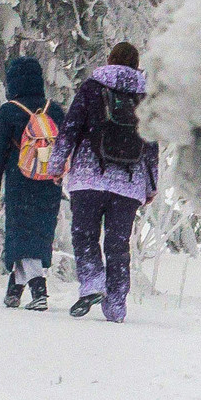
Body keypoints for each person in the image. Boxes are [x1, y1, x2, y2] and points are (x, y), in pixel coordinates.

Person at [51, 43, 158, 321]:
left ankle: (93, 283)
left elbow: (70, 128)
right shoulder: (146, 96)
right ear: (137, 65)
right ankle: (116, 306)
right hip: (129, 182)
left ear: (109, 60)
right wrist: (150, 185)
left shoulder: (92, 87)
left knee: (84, 234)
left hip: (89, 176)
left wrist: (56, 164)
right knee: (118, 244)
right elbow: (151, 145)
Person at [0, 55, 65, 310]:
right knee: (36, 233)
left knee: (21, 233)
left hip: (20, 181)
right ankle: (14, 289)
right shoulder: (55, 110)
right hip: (50, 182)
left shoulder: (9, 111)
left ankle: (38, 290)